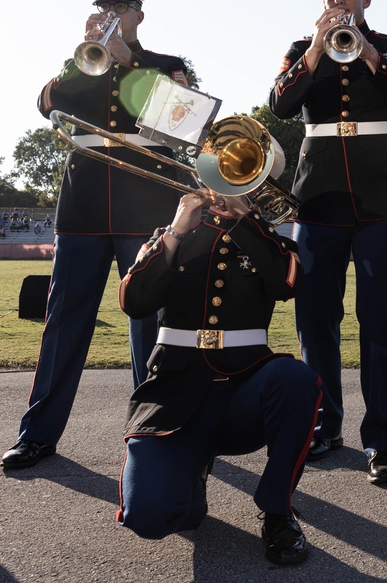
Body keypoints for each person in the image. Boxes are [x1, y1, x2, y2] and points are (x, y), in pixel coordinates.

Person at [1, 0, 189, 470]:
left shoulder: (165, 65)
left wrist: (130, 65)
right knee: (64, 322)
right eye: (103, 9)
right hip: (83, 208)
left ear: (139, 15)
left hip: (144, 209)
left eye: (120, 9)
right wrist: (79, 59)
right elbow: (45, 103)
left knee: (149, 322)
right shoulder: (82, 65)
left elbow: (185, 125)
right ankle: (38, 433)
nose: (109, 17)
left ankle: (152, 428)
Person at [268, 0, 387, 484]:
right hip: (318, 200)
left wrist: (368, 55)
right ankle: (323, 424)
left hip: (383, 199)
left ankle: (383, 442)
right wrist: (317, 48)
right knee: (315, 322)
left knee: (379, 323)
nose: (339, 2)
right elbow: (280, 106)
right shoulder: (300, 49)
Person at [116, 188, 320, 566]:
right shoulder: (169, 235)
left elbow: (288, 284)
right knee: (148, 517)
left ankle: (278, 512)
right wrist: (177, 230)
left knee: (295, 378)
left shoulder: (268, 240)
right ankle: (193, 476)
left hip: (244, 395)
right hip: (174, 397)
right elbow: (134, 302)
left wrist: (247, 220)